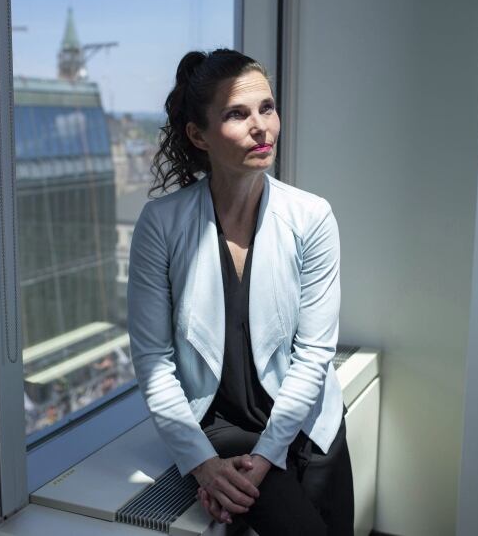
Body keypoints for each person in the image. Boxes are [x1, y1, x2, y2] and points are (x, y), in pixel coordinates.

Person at [127, 48, 353, 536]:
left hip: (305, 423)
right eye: (237, 114)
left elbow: (315, 354)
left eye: (267, 108)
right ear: (197, 135)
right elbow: (152, 361)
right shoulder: (161, 225)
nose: (261, 127)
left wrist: (268, 454)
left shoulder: (311, 217)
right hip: (219, 429)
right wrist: (203, 466)